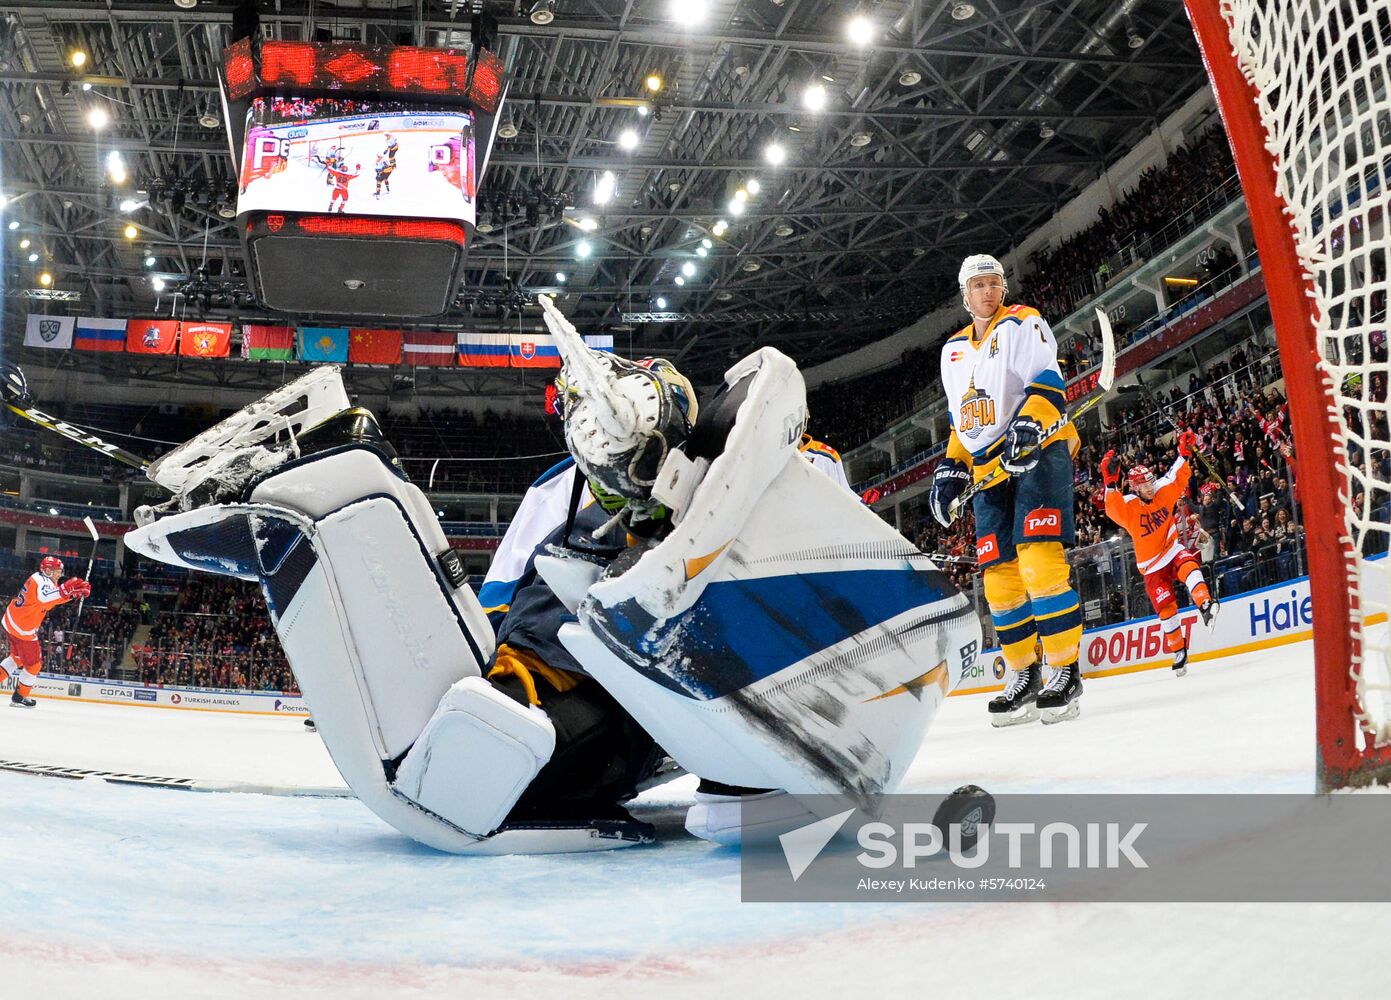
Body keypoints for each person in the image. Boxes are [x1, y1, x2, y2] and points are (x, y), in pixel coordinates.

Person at [928, 253, 1085, 726]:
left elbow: (1048, 382)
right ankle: (1023, 674)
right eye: (978, 285)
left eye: (994, 282)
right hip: (987, 469)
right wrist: (951, 467)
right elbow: (961, 421)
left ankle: (1064, 669)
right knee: (998, 578)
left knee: (1038, 561)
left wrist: (1031, 425)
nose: (988, 291)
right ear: (964, 295)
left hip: (1037, 452)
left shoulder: (1023, 322)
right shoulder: (952, 350)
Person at [1100, 430, 1220, 676]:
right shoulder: (1129, 507)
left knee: (1189, 565)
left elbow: (1177, 476)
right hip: (1151, 567)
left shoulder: (1162, 490)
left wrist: (1184, 453)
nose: (1149, 487)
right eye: (1144, 484)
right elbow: (1112, 509)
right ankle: (1179, 651)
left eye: (1150, 481)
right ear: (1134, 487)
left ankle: (1205, 604)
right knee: (1166, 610)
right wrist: (1110, 484)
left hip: (1172, 549)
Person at [1, 556, 90, 708]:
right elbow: (45, 598)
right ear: (48, 570)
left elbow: (51, 598)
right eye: (57, 572)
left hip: (12, 621)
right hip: (23, 629)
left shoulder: (39, 578)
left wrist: (72, 593)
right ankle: (21, 696)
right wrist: (67, 590)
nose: (59, 575)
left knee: (17, 658)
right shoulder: (42, 582)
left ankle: (20, 694)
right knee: (34, 665)